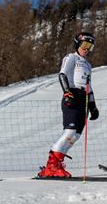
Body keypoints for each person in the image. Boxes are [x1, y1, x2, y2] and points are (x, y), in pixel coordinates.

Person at [37, 32, 100, 178]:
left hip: (83, 99)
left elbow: (88, 86)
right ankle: (51, 166)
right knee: (69, 132)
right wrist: (67, 92)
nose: (87, 49)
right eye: (84, 45)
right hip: (72, 95)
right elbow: (63, 74)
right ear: (77, 44)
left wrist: (93, 106)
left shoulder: (88, 65)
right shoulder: (71, 57)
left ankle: (58, 163)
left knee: (76, 135)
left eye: (90, 46)